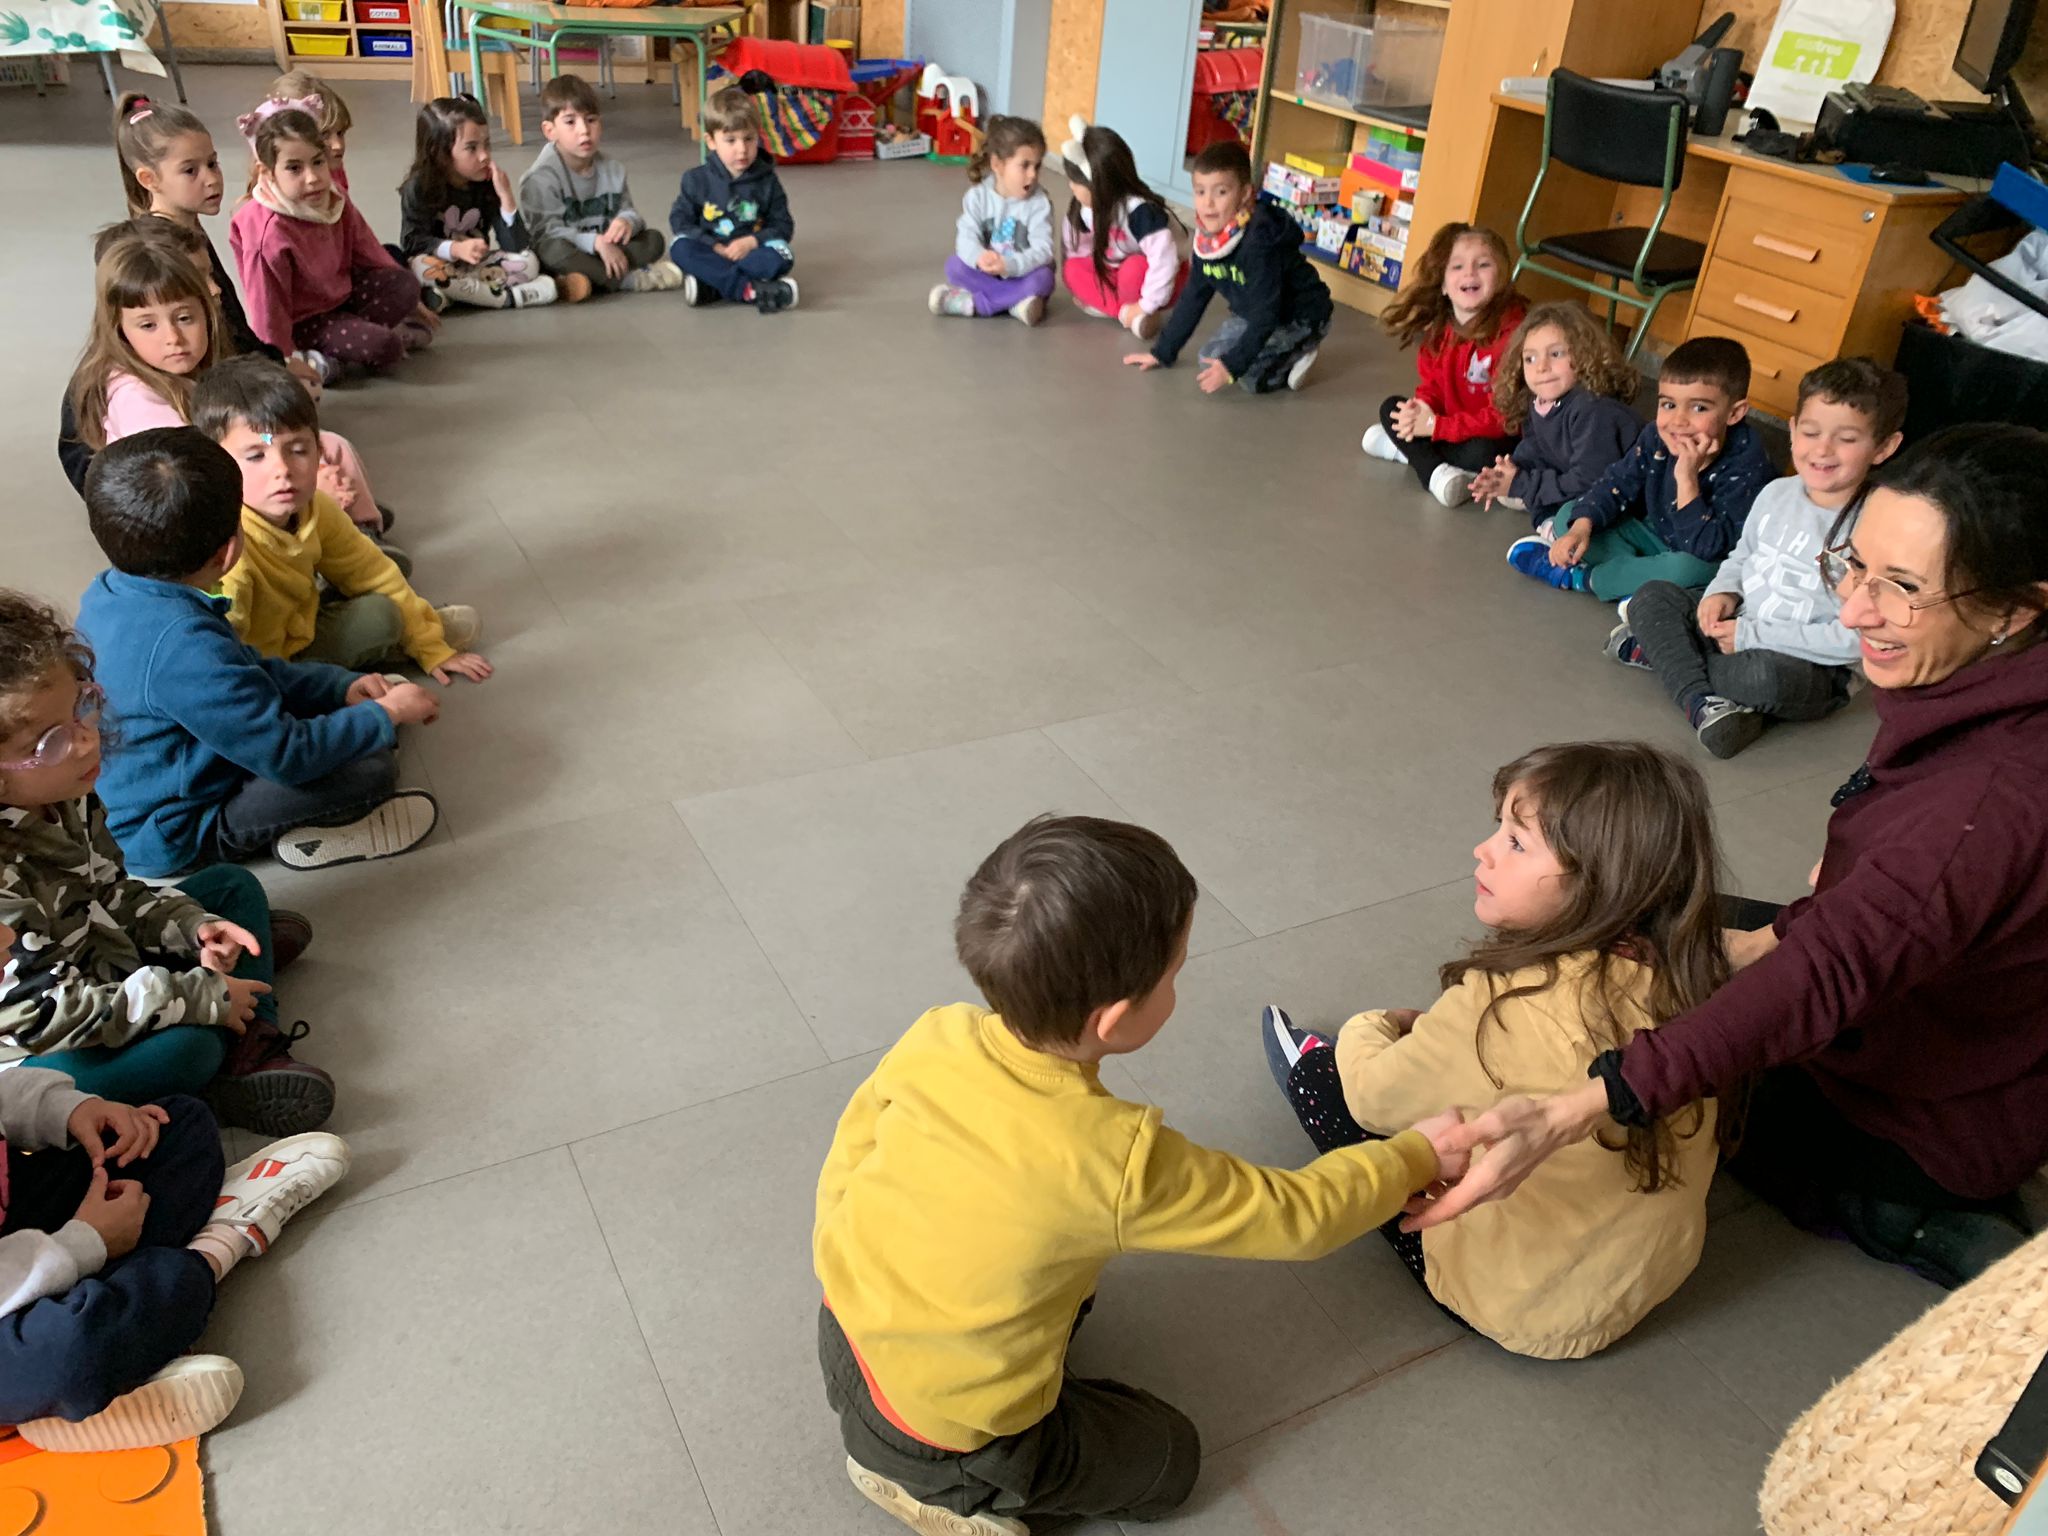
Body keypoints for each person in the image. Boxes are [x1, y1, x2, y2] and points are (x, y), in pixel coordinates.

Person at [1421, 423, 2048, 1291]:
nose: (1854, 610)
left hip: (1916, 1114)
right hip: (1954, 1013)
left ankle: (1908, 1212)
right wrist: (1773, 936)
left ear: (2017, 610)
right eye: (1854, 566)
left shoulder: (1985, 804)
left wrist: (1579, 1107)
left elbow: (1830, 970)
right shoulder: (1988, 694)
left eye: (1902, 588)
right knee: (1657, 928)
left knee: (1659, 1062)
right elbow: (1880, 915)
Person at [816, 814, 1469, 1532]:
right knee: (1168, 1462)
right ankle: (941, 1495)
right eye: (1175, 972)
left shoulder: (938, 1032)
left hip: (845, 1335)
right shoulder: (1115, 1157)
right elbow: (1296, 1216)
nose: (1179, 984)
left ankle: (914, 1449)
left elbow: (849, 1156)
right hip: (953, 1437)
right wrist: (1415, 1155)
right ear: (1116, 1019)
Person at [1261, 742, 1721, 1359]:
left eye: (1516, 842)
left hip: (1520, 1307)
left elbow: (1372, 1098)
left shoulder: (1500, 1003)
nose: (1484, 849)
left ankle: (1306, 1057)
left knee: (1331, 1084)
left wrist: (1377, 1024)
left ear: (1598, 883)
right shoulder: (1702, 974)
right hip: (1638, 1280)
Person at [1, 589, 334, 1131]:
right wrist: (197, 996)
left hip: (101, 968)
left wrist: (190, 926)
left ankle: (246, 1023)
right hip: (42, 1046)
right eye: (50, 742)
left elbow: (112, 890)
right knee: (186, 1049)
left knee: (230, 889)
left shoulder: (62, 791)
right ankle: (233, 1055)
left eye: (82, 707)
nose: (86, 742)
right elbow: (45, 1016)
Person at [74, 427, 442, 877]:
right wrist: (384, 715)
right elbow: (287, 755)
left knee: (348, 726)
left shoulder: (114, 589)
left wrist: (339, 688)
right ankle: (319, 832)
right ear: (228, 552)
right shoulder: (185, 645)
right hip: (182, 828)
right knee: (370, 769)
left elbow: (248, 668)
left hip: (174, 775)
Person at [0, 1066, 348, 1453]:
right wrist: (86, 1241)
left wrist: (69, 1109)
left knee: (177, 1125)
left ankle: (98, 1373)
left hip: (23, 1235)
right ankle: (217, 1245)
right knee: (71, 1355)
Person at [1609, 357, 1906, 757]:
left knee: (1762, 677)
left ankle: (1671, 661)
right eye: (1811, 432)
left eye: (1847, 439)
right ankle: (1703, 702)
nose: (1822, 449)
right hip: (1741, 625)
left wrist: (1751, 636)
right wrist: (1722, 592)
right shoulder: (1777, 493)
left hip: (1809, 667)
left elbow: (1855, 641)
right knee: (1653, 597)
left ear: (1884, 447)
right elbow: (1743, 555)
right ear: (1793, 429)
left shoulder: (1879, 524)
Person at [63, 222, 384, 535]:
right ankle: (333, 530)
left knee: (327, 446)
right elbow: (194, 473)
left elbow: (252, 428)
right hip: (190, 506)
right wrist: (294, 470)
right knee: (289, 467)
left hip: (226, 467)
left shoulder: (201, 365)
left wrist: (284, 446)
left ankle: (360, 530)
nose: (173, 338)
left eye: (184, 318)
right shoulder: (134, 395)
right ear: (120, 330)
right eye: (149, 325)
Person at [193, 359, 487, 683]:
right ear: (216, 464)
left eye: (298, 450)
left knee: (380, 601)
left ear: (319, 451)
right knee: (379, 619)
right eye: (256, 456)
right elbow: (219, 664)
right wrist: (333, 693)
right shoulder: (227, 551)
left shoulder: (316, 507)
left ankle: (410, 633)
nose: (283, 470)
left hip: (299, 625)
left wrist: (430, 647)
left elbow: (374, 573)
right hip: (265, 669)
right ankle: (375, 657)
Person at [1506, 336, 1772, 601]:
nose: (1678, 421)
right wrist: (1581, 527)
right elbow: (1618, 482)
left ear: (1734, 413)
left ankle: (1584, 579)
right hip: (1652, 536)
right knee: (1569, 515)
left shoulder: (1748, 468)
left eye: (1699, 408)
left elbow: (1707, 549)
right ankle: (1637, 582)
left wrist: (1687, 478)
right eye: (1668, 405)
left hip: (1698, 555)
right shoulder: (1657, 436)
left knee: (1688, 570)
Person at [108, 91, 332, 402]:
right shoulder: (163, 250)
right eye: (191, 170)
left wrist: (277, 360)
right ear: (149, 179)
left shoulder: (189, 229)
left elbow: (232, 321)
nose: (212, 178)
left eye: (213, 163)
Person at [228, 100, 432, 378]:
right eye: (294, 168)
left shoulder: (333, 198)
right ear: (267, 172)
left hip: (341, 301)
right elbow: (268, 309)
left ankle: (344, 344)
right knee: (386, 347)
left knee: (405, 284)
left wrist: (412, 302)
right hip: (304, 322)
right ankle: (315, 356)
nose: (313, 178)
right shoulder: (268, 231)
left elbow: (370, 251)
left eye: (318, 162)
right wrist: (281, 362)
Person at [1125, 141, 1333, 395]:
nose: (1208, 203)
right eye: (1200, 192)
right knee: (1210, 359)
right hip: (1254, 310)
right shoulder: (1209, 241)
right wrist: (1162, 352)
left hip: (1299, 316)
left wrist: (1232, 367)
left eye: (1221, 192)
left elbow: (1266, 315)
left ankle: (1300, 350)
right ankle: (1278, 351)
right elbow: (1194, 297)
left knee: (1250, 379)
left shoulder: (1258, 245)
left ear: (1244, 194)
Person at [1363, 222, 1528, 507]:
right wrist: (1421, 408)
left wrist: (1436, 427)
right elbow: (1433, 386)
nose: (1469, 273)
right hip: (1449, 427)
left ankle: (1415, 458)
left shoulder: (1513, 333)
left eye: (1483, 265)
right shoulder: (1439, 329)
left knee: (1485, 454)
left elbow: (1503, 419)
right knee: (1392, 409)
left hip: (1494, 437)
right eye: (1457, 266)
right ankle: (1435, 470)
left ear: (1502, 277)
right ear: (1442, 284)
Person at [1468, 300, 1642, 529]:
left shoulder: (1592, 410)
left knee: (1571, 510)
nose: (1541, 367)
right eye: (1530, 358)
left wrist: (1521, 484)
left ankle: (1555, 530)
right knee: (1535, 483)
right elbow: (1535, 449)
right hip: (1585, 482)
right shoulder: (1539, 400)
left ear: (1584, 355)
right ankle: (1548, 526)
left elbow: (1592, 481)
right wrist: (1506, 474)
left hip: (1629, 501)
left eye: (1556, 354)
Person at [517, 75, 682, 297]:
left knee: (654, 240)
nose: (584, 130)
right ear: (550, 131)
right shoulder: (540, 177)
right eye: (570, 122)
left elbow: (631, 213)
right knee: (552, 250)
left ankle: (584, 280)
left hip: (607, 248)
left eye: (591, 120)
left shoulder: (613, 169)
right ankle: (625, 280)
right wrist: (595, 243)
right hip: (570, 249)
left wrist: (626, 222)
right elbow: (546, 233)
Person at [400, 94, 566, 310]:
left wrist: (506, 198)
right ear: (440, 154)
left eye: (486, 145)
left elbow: (516, 247)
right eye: (472, 148)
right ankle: (508, 298)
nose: (484, 156)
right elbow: (412, 243)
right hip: (438, 263)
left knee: (529, 262)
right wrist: (455, 249)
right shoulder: (419, 188)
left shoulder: (486, 182)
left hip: (477, 268)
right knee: (420, 268)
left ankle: (453, 296)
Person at [666, 85, 798, 313]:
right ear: (711, 141)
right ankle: (749, 289)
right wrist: (713, 246)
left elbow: (783, 225)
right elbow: (680, 221)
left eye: (749, 139)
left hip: (751, 251)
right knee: (680, 247)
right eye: (731, 140)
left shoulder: (768, 180)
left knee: (782, 255)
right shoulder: (695, 179)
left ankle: (712, 286)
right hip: (712, 250)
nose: (742, 150)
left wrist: (751, 242)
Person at [1057, 117, 1187, 340]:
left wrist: (1148, 303)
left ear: (1100, 185)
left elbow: (1164, 261)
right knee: (1073, 269)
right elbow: (1078, 249)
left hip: (1163, 276)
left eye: (1076, 182)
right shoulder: (1084, 208)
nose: (1071, 186)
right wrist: (1086, 283)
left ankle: (1141, 311)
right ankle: (1127, 313)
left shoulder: (1140, 212)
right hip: (1115, 270)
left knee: (1134, 268)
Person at [928, 115, 1057, 326]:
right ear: (997, 164)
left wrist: (1009, 265)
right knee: (954, 266)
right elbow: (966, 237)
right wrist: (979, 257)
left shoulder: (1039, 203)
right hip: (986, 274)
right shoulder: (977, 197)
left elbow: (1043, 250)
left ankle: (974, 304)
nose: (1033, 174)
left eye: (1037, 166)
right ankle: (1016, 304)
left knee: (1044, 278)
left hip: (1021, 273)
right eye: (1024, 165)